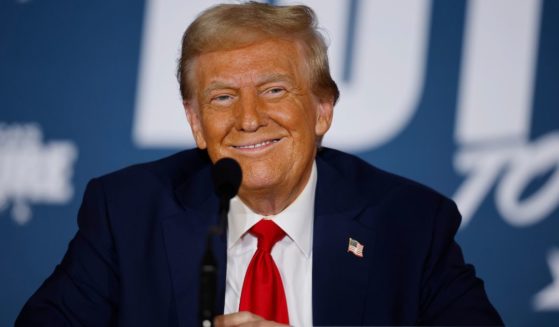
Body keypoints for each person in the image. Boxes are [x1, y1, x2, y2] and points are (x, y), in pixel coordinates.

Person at [17, 2, 503, 326]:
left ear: (322, 109)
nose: (248, 120)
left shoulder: (411, 222)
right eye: (223, 97)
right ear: (195, 121)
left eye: (274, 90)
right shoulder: (127, 212)